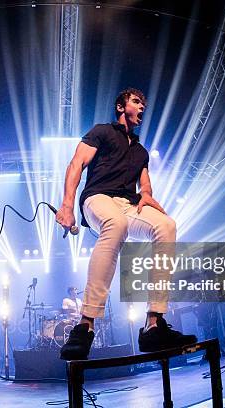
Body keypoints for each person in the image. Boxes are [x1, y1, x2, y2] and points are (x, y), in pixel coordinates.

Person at [56, 88, 197, 360]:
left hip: (129, 204)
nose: (142, 107)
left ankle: (153, 325)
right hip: (97, 198)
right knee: (116, 223)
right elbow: (76, 164)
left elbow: (145, 185)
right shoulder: (101, 132)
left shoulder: (141, 152)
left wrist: (146, 195)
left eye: (144, 103)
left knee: (166, 225)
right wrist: (66, 205)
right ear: (121, 106)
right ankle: (85, 326)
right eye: (136, 101)